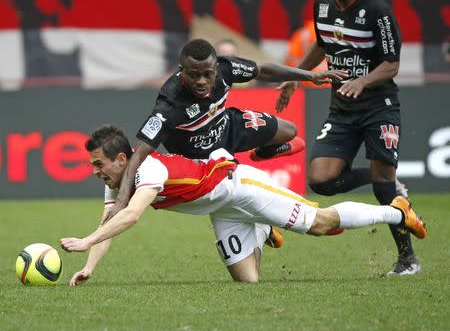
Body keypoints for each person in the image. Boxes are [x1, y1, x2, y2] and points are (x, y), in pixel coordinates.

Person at [60, 125, 427, 285]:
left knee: (322, 224)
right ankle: (264, 227)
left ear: (122, 159)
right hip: (221, 208)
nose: (94, 171)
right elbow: (110, 218)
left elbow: (132, 216)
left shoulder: (149, 169)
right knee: (248, 280)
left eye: (98, 164)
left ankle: (397, 210)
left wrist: (85, 241)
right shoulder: (116, 182)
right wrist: (90, 266)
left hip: (241, 187)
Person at [106, 38, 348, 223]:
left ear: (215, 69)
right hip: (203, 155)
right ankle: (264, 228)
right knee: (240, 194)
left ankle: (263, 152)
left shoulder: (226, 67)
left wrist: (309, 76)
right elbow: (138, 155)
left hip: (229, 125)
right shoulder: (168, 106)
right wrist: (120, 201)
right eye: (194, 75)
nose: (201, 81)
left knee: (289, 130)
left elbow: (263, 70)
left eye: (207, 75)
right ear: (181, 71)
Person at [276, 0, 422, 275]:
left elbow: (392, 64)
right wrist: (297, 76)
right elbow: (322, 44)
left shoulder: (377, 10)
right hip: (342, 109)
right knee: (320, 179)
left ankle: (408, 259)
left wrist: (362, 81)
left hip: (379, 107)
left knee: (383, 188)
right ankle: (383, 178)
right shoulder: (323, 6)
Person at [284, 19, 330, 88]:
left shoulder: (303, 33)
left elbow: (290, 59)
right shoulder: (304, 34)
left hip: (307, 83)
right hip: (321, 85)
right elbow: (290, 59)